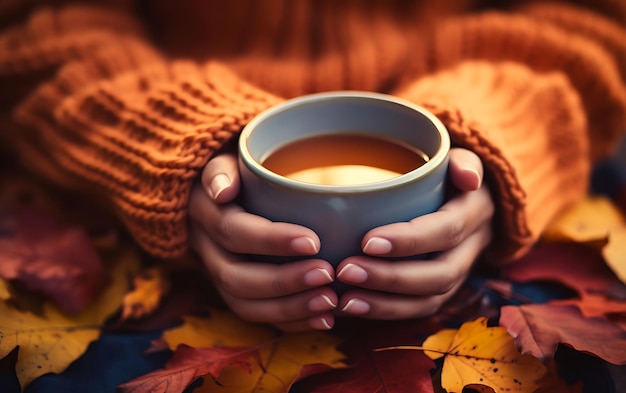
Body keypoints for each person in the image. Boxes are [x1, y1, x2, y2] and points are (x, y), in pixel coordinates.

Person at [0, 0, 624, 332]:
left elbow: (599, 21)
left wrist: (499, 132)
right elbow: (28, 27)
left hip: (481, 233)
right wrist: (158, 139)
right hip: (133, 228)